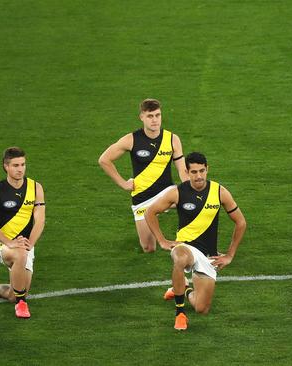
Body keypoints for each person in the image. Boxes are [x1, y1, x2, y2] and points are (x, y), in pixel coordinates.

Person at [145, 152, 246, 330]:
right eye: (194, 172)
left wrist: (230, 255)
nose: (198, 176)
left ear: (207, 169)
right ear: (187, 172)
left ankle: (184, 289)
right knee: (180, 259)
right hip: (184, 247)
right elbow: (150, 212)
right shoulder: (177, 192)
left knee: (202, 308)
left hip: (208, 256)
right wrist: (162, 241)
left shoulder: (220, 192)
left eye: (202, 171)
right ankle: (180, 314)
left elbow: (241, 222)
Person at [98, 98, 188, 252]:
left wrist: (190, 188)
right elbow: (104, 160)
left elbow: (181, 169)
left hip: (167, 193)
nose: (155, 120)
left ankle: (196, 245)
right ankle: (154, 218)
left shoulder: (172, 139)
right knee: (148, 247)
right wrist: (123, 183)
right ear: (142, 117)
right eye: (150, 116)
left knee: (191, 204)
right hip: (143, 197)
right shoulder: (131, 139)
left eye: (157, 115)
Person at [0, 147, 45, 318]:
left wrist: (30, 243)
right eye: (16, 165)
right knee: (19, 256)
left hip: (26, 245)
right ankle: (21, 305)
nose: (20, 169)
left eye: (23, 164)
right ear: (6, 167)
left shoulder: (36, 187)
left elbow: (40, 220)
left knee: (15, 292)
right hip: (5, 245)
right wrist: (9, 242)